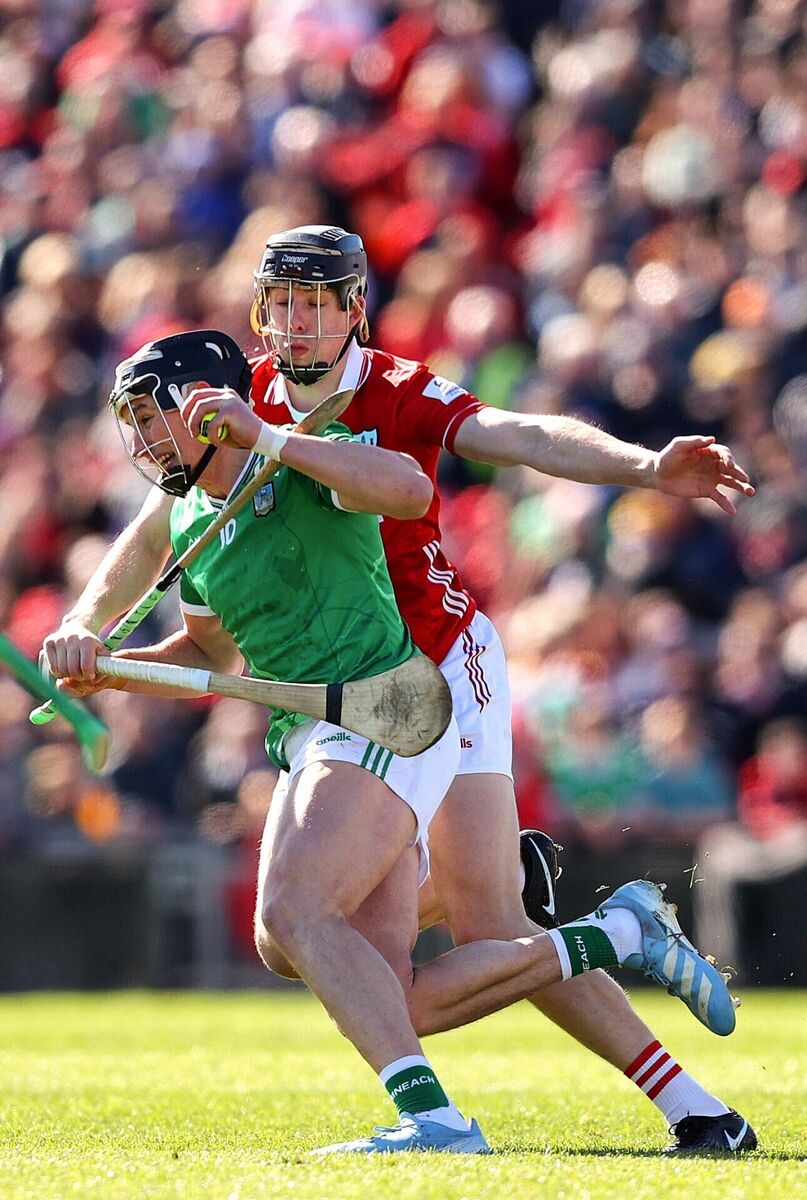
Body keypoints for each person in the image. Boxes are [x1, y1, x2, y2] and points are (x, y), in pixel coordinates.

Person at [44, 230, 757, 1153]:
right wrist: (91, 628)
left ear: (353, 311)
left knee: (469, 921)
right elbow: (151, 536)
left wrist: (643, 467)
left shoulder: (392, 391)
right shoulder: (226, 402)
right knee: (420, 973)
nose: (296, 323)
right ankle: (694, 1102)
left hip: (439, 663)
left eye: (317, 302)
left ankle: (535, 936)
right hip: (339, 693)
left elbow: (521, 438)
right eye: (281, 304)